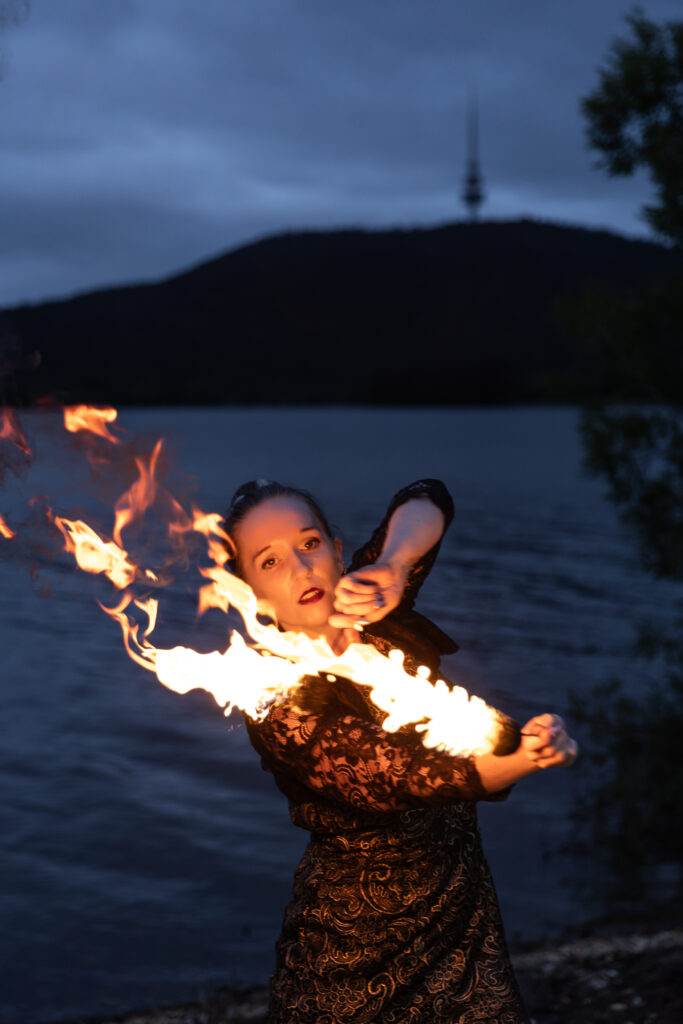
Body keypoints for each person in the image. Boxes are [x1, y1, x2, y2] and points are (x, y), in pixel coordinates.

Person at [223, 478, 578, 1024]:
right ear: (249, 592)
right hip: (354, 952)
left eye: (310, 543)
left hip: (462, 916)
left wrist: (392, 562)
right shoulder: (277, 699)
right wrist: (529, 756)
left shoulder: (372, 601)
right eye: (269, 562)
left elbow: (428, 498)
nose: (300, 568)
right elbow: (405, 776)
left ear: (338, 548)